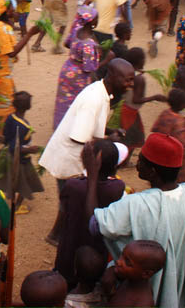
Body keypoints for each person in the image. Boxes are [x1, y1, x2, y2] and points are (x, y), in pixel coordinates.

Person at [83, 133, 185, 307]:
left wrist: (92, 177)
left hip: (145, 292)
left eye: (141, 160)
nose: (137, 164)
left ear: (152, 171)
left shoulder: (136, 204)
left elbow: (94, 224)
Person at [40, 59, 135, 245]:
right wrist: (109, 141)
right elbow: (78, 137)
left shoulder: (103, 93)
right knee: (69, 200)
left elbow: (90, 126)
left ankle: (57, 235)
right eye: (128, 80)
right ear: (113, 77)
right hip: (69, 158)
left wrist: (109, 132)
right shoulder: (94, 99)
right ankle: (57, 236)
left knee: (68, 200)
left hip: (77, 157)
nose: (131, 85)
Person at [55, 140, 126, 284]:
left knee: (67, 280)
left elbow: (90, 216)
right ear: (114, 167)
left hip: (71, 248)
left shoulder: (73, 186)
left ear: (86, 163)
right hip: (99, 252)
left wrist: (92, 175)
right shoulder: (117, 187)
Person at [0, 0, 41, 139]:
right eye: (12, 8)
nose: (15, 11)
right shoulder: (1, 28)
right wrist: (28, 34)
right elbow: (11, 53)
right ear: (5, 11)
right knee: (7, 104)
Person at [0, 91, 44, 212]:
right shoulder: (24, 126)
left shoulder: (10, 118)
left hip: (7, 154)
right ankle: (17, 207)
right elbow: (16, 147)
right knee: (25, 183)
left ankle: (6, 202)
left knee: (11, 181)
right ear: (28, 106)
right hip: (20, 160)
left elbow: (6, 136)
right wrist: (30, 149)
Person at [53, 7, 101, 129]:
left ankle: (59, 128)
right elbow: (89, 67)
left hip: (67, 69)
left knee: (63, 102)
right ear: (92, 22)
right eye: (97, 18)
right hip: (79, 77)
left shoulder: (77, 30)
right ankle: (72, 130)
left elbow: (66, 44)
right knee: (78, 105)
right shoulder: (89, 44)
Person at [107, 240, 166, 307]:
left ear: (146, 274)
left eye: (127, 263)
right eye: (122, 255)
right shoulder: (131, 279)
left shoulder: (142, 303)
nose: (118, 261)